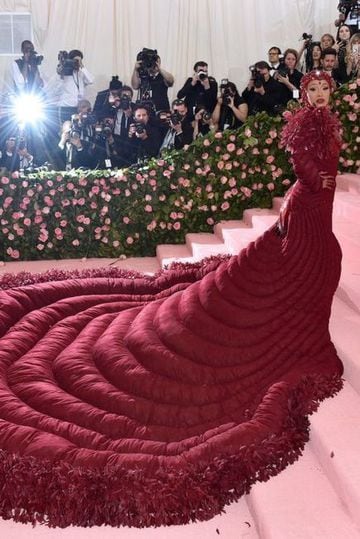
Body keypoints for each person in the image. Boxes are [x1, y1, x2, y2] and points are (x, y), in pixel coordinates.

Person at [0, 70, 344, 529]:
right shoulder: (305, 123)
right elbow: (304, 170)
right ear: (305, 93)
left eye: (324, 88)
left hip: (316, 206)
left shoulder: (328, 122)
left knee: (316, 263)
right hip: (310, 202)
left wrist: (319, 181)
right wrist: (316, 180)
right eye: (313, 89)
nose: (319, 94)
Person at [56, 49, 94, 124]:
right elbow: (57, 87)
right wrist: (63, 66)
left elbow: (91, 80)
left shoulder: (81, 72)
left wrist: (82, 66)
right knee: (66, 130)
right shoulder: (65, 71)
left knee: (77, 132)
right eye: (75, 60)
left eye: (79, 60)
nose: (76, 62)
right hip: (65, 108)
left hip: (78, 108)